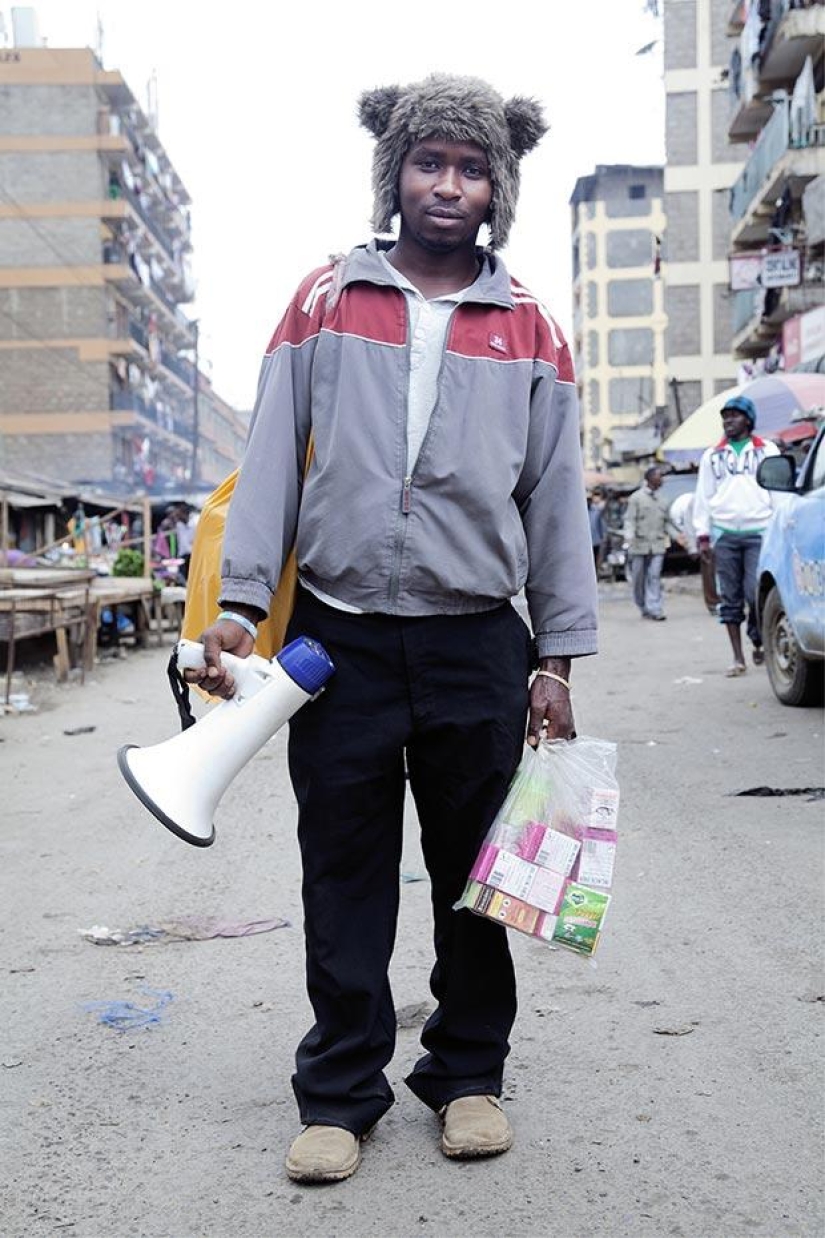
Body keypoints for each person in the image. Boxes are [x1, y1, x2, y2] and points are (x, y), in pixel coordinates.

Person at [186, 74, 598, 1184]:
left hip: (476, 638)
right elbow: (272, 455)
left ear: (496, 186)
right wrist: (239, 603)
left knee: (479, 874)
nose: (448, 185)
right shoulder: (325, 301)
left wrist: (555, 653)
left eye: (470, 167)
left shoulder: (530, 328)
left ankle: (468, 1075)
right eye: (429, 163)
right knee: (346, 867)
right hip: (341, 637)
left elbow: (557, 498)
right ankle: (339, 1091)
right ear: (396, 174)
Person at [692, 394, 780, 676]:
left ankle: (757, 637)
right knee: (729, 598)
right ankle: (738, 658)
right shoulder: (712, 455)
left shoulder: (767, 450)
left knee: (755, 593)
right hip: (726, 534)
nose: (728, 420)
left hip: (760, 531)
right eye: (725, 416)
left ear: (748, 419)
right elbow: (703, 497)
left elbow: (777, 490)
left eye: (735, 415)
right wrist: (703, 535)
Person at [622, 465, 670, 621]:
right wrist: (629, 536)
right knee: (638, 579)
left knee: (654, 576)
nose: (661, 478)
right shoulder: (636, 498)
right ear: (649, 479)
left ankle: (655, 608)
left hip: (657, 545)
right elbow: (629, 520)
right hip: (638, 546)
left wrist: (683, 538)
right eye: (658, 476)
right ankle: (643, 606)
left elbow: (668, 523)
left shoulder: (663, 500)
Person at [587, 491, 606, 575]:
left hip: (595, 539)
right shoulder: (579, 512)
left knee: (595, 558)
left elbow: (601, 524)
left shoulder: (596, 511)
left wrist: (603, 536)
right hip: (584, 541)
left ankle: (595, 574)